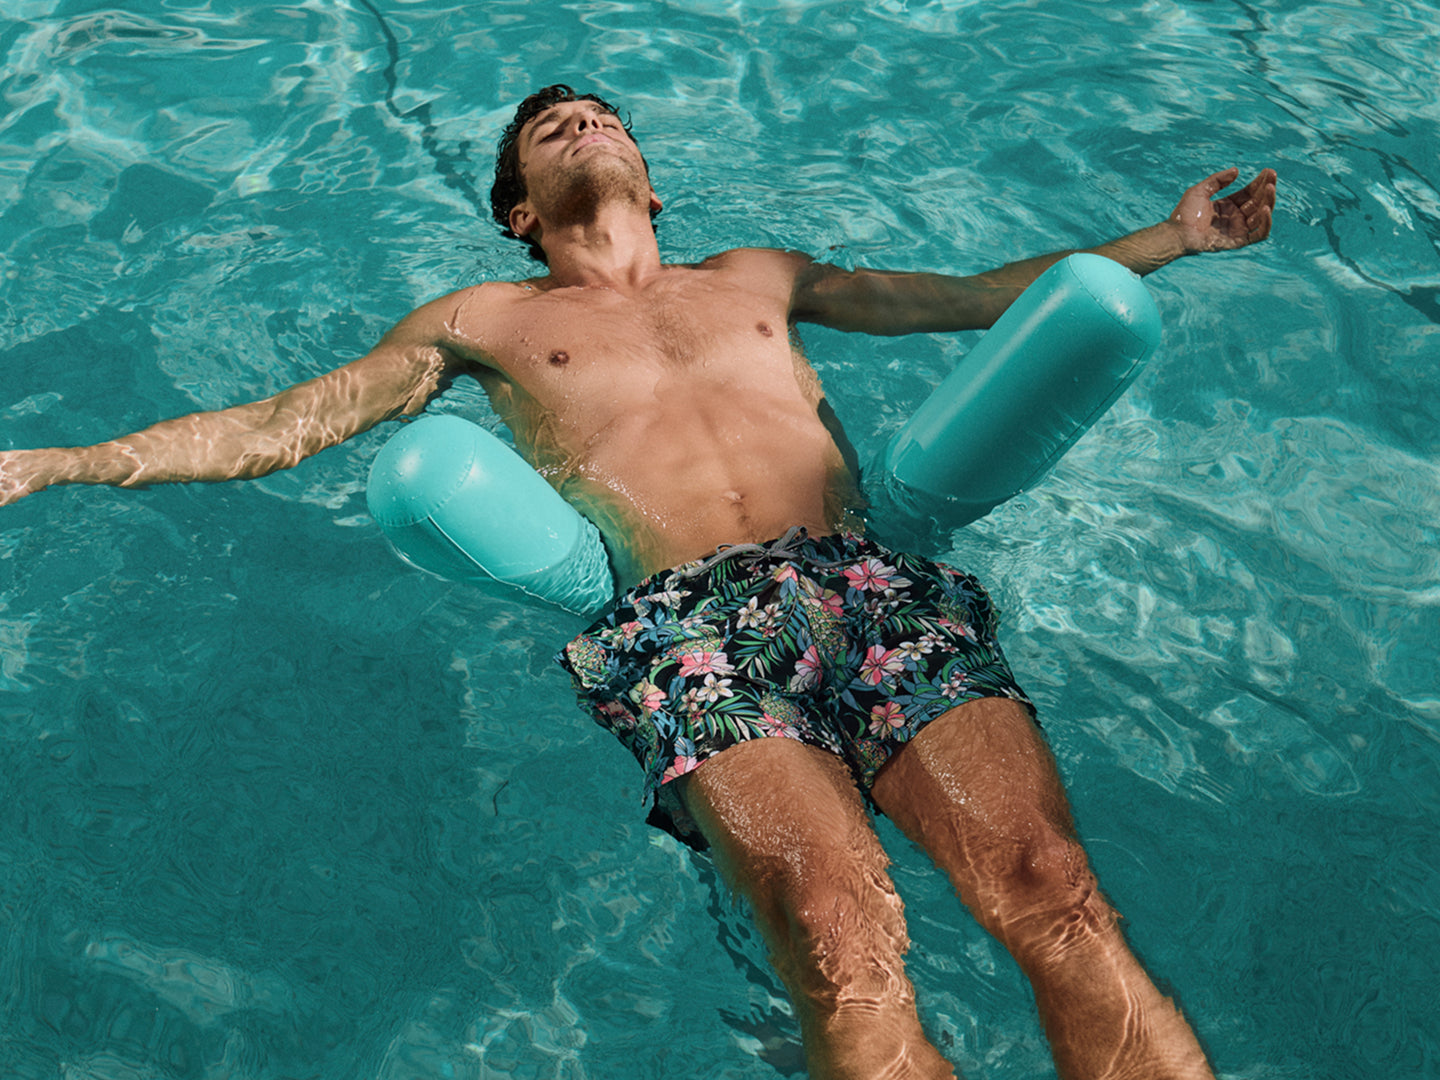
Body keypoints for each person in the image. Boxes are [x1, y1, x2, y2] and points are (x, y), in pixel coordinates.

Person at [0, 84, 1275, 1079]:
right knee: (833, 936)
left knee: (1051, 886)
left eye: (602, 116)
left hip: (873, 586)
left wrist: (1172, 238)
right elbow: (287, 420)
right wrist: (62, 463)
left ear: (653, 184)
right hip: (687, 627)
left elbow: (980, 301)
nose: (582, 118)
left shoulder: (761, 277)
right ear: (517, 209)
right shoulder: (481, 320)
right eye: (551, 129)